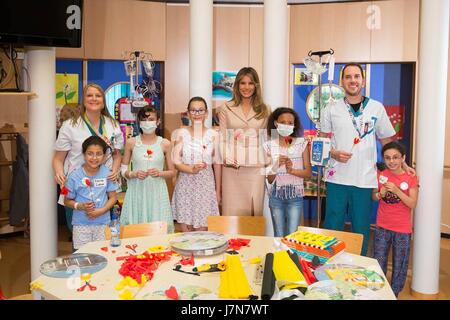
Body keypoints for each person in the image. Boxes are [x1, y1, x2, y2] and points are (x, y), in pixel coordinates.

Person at [319, 63, 414, 256]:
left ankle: (357, 266)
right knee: (332, 223)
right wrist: (334, 153)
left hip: (364, 178)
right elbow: (322, 140)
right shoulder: (331, 108)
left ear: (363, 80)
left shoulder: (376, 108)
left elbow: (387, 140)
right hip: (336, 175)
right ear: (342, 81)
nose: (352, 80)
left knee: (361, 226)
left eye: (356, 76)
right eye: (348, 77)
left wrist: (404, 164)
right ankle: (326, 264)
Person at [53, 84, 124, 236]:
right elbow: (58, 159)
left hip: (104, 187)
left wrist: (115, 170)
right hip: (77, 187)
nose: (94, 99)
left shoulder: (113, 125)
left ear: (103, 101)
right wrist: (59, 174)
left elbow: (117, 154)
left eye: (98, 96)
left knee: (104, 234)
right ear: (83, 100)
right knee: (79, 233)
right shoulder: (70, 126)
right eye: (89, 95)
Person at [216, 67, 270, 216]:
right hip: (232, 167)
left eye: (250, 83)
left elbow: (267, 139)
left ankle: (254, 240)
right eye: (242, 83)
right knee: (231, 212)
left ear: (256, 86)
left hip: (256, 167)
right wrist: (226, 156)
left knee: (254, 212)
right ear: (237, 85)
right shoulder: (226, 108)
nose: (246, 87)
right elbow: (222, 137)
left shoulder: (265, 109)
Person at [372, 141, 418, 297]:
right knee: (378, 261)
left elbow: (412, 203)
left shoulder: (410, 177)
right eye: (387, 158)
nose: (391, 161)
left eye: (395, 157)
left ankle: (394, 294)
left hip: (402, 229)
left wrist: (397, 191)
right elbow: (374, 197)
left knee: (400, 266)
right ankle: (379, 292)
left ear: (402, 158)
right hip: (382, 226)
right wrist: (380, 194)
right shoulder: (381, 175)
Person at [120, 105, 175, 232]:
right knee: (135, 231)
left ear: (158, 121)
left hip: (157, 192)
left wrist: (160, 173)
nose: (147, 123)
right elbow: (123, 171)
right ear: (139, 122)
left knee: (158, 231)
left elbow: (172, 172)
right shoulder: (131, 142)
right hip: (137, 191)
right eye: (144, 120)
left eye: (151, 119)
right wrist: (133, 174)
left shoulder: (165, 143)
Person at [171, 97, 221, 232]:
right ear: (188, 113)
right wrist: (190, 169)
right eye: (193, 110)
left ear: (206, 113)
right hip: (185, 186)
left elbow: (217, 164)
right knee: (186, 235)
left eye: (200, 110)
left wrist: (218, 191)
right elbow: (176, 162)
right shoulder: (181, 133)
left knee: (202, 234)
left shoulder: (214, 135)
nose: (197, 114)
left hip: (206, 187)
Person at [64, 136, 119, 250]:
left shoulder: (107, 173)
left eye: (98, 154)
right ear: (83, 154)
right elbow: (67, 201)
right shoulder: (74, 176)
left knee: (102, 255)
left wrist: (101, 211)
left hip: (103, 223)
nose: (94, 158)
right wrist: (80, 206)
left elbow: (113, 197)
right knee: (83, 257)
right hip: (81, 224)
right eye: (90, 153)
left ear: (104, 156)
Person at [264, 107, 312, 237]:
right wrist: (275, 165)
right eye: (283, 122)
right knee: (278, 234)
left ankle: (291, 257)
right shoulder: (268, 146)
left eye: (290, 123)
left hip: (295, 195)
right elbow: (268, 179)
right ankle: (279, 257)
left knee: (292, 235)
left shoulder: (302, 144)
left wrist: (292, 170)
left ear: (294, 125)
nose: (287, 125)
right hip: (275, 195)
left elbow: (308, 173)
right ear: (275, 123)